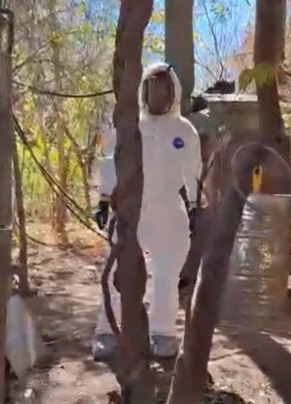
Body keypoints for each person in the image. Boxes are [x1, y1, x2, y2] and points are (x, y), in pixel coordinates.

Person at [92, 62, 202, 360]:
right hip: (132, 208)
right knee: (118, 271)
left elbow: (193, 171)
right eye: (152, 89)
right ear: (143, 90)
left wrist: (195, 206)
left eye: (164, 90)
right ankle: (107, 331)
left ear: (174, 93)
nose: (158, 96)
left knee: (167, 273)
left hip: (169, 209)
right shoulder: (129, 126)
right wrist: (103, 200)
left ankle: (162, 333)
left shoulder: (184, 131)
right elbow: (110, 161)